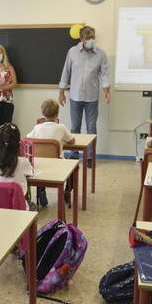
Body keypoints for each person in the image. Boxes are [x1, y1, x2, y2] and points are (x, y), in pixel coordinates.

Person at [58, 25, 110, 168]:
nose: (91, 40)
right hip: (75, 96)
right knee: (74, 127)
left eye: (93, 37)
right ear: (81, 38)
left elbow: (104, 73)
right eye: (88, 38)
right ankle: (74, 155)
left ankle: (90, 157)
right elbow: (66, 72)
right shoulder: (72, 52)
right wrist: (61, 93)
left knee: (91, 129)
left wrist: (106, 89)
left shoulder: (101, 54)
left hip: (92, 97)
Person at [27, 99, 75, 207]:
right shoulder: (61, 127)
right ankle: (67, 191)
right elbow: (72, 141)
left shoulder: (37, 127)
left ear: (43, 114)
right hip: (58, 164)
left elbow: (27, 139)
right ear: (57, 113)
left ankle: (41, 192)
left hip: (39, 164)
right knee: (74, 166)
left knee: (42, 165)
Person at [0, 123, 34, 209]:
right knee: (32, 206)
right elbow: (31, 173)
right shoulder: (23, 161)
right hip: (18, 207)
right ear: (19, 144)